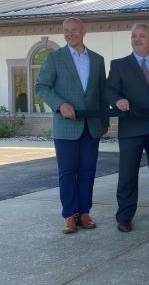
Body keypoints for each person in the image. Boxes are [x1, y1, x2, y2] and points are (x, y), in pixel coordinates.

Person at [35, 17, 109, 233]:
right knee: (67, 172)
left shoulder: (97, 60)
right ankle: (69, 215)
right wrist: (60, 104)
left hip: (92, 126)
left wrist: (104, 121)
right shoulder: (54, 58)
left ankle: (84, 213)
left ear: (83, 31)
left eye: (74, 30)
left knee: (88, 171)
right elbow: (41, 87)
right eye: (66, 31)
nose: (70, 34)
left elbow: (102, 93)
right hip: (65, 127)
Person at [104, 23, 149, 232]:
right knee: (127, 174)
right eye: (134, 36)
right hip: (131, 127)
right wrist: (117, 101)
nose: (137, 39)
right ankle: (124, 216)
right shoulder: (119, 64)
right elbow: (109, 90)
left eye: (142, 36)